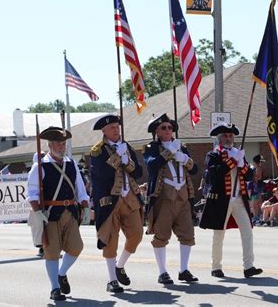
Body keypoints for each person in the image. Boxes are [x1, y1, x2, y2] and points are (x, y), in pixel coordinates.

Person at [27, 127, 91, 301]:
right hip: (50, 214)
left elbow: (80, 188)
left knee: (76, 247)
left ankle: (61, 274)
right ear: (50, 144)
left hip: (70, 212)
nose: (62, 147)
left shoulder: (71, 164)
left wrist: (85, 206)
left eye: (63, 143)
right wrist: (38, 212)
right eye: (58, 143)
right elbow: (32, 194)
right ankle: (55, 288)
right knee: (52, 252)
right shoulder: (39, 167)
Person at [199, 122, 263, 279]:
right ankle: (216, 267)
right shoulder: (213, 155)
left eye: (231, 135)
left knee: (247, 232)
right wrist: (233, 162)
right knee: (219, 234)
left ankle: (248, 266)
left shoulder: (238, 152)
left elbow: (249, 176)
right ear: (220, 139)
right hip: (221, 200)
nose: (229, 138)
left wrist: (243, 165)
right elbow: (215, 174)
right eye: (226, 136)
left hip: (239, 199)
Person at [90, 114, 144, 293]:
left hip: (129, 197)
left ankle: (119, 266)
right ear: (104, 131)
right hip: (111, 200)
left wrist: (127, 160)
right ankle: (112, 280)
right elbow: (101, 174)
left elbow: (138, 172)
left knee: (136, 233)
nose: (116, 129)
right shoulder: (97, 150)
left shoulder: (126, 146)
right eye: (112, 127)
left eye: (117, 126)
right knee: (111, 240)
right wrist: (117, 159)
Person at [144, 113, 199, 285]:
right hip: (164, 197)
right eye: (164, 128)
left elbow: (195, 169)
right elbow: (152, 165)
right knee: (161, 235)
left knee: (187, 234)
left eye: (170, 127)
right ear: (157, 132)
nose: (168, 130)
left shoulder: (181, 146)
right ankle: (162, 272)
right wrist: (169, 152)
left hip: (183, 196)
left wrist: (185, 158)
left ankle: (183, 270)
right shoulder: (151, 147)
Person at [252, 154, 265, 223]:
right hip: (256, 187)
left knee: (257, 203)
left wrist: (253, 177)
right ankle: (257, 216)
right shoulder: (256, 168)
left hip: (257, 187)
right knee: (255, 203)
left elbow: (259, 177)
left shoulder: (258, 168)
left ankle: (260, 216)